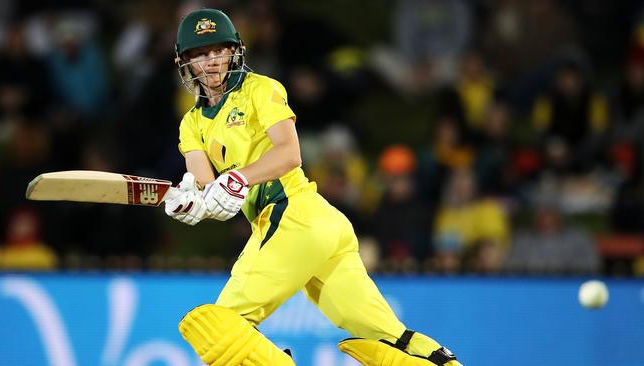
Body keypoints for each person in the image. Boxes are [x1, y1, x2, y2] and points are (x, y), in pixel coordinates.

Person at [164, 8, 462, 366]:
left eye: (218, 50)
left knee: (219, 327)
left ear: (234, 52)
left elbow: (290, 154)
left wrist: (238, 178)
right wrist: (191, 201)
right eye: (200, 54)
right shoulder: (192, 124)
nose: (211, 61)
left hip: (292, 215)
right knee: (386, 336)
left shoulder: (261, 89)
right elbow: (208, 188)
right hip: (316, 228)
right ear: (186, 63)